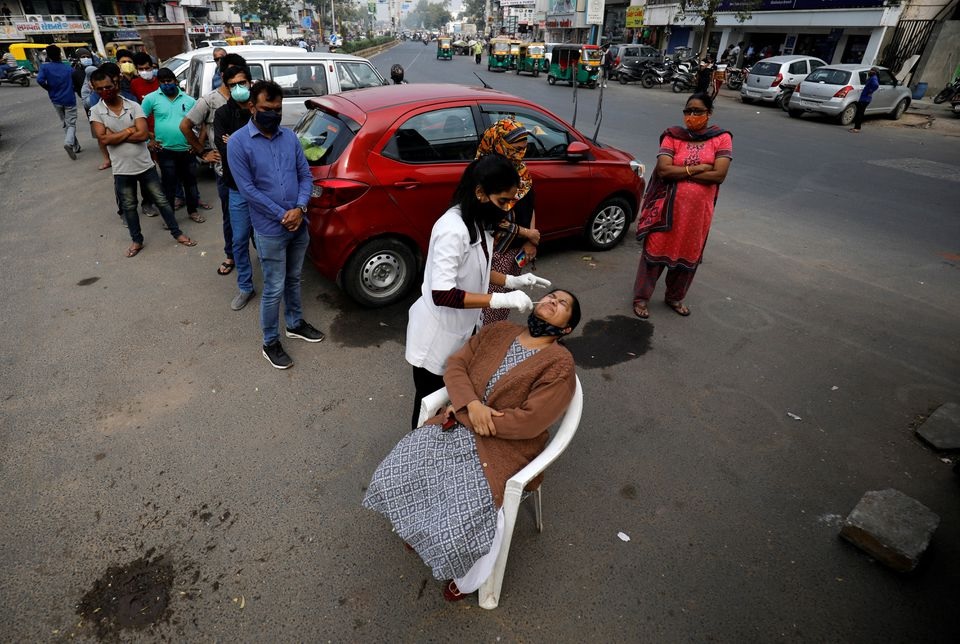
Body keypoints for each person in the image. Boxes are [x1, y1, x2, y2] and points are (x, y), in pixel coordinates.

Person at [364, 289, 581, 602]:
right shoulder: (499, 331)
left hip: (504, 447)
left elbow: (531, 422)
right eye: (551, 296)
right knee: (398, 470)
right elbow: (456, 366)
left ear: (566, 329)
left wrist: (467, 413)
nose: (552, 301)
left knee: (465, 512)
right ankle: (418, 529)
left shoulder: (560, 365)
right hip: (459, 425)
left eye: (562, 304)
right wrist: (470, 405)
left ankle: (468, 579)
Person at [405, 154, 551, 429]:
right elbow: (444, 293)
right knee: (429, 403)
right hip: (437, 336)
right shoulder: (452, 229)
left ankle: (438, 445)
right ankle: (416, 448)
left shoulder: (478, 222)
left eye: (511, 201)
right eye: (503, 201)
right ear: (480, 192)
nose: (508, 209)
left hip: (461, 331)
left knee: (449, 403)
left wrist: (512, 281)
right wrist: (500, 299)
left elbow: (477, 271)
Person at [227, 80, 324, 369]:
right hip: (270, 230)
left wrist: (300, 208)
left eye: (278, 109)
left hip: (299, 223)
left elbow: (305, 176)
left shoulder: (290, 138)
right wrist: (284, 214)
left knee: (294, 279)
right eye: (267, 108)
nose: (273, 114)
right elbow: (248, 191)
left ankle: (294, 323)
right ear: (251, 107)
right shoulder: (238, 143)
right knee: (273, 287)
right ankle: (270, 342)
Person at [633, 93, 732, 319]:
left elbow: (719, 175)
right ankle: (641, 298)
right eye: (688, 111)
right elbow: (664, 170)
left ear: (709, 113)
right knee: (653, 254)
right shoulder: (673, 136)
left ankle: (674, 297)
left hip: (698, 215)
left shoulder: (722, 138)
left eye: (698, 111)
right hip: (665, 210)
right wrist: (699, 168)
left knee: (689, 255)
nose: (692, 116)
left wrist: (682, 173)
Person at [89, 68, 197, 257]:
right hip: (122, 170)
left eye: (108, 86)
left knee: (162, 201)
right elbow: (103, 139)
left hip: (145, 166)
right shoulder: (96, 111)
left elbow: (142, 134)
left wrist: (119, 135)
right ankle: (136, 240)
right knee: (129, 207)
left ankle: (177, 233)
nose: (105, 91)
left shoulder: (134, 105)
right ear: (94, 89)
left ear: (115, 84)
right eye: (100, 89)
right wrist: (130, 131)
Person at [181, 53, 247, 277]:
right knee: (231, 218)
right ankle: (231, 256)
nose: (236, 83)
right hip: (225, 171)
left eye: (240, 75)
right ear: (222, 76)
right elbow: (186, 126)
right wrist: (203, 153)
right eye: (229, 74)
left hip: (254, 173)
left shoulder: (253, 100)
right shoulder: (210, 101)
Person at [475, 119, 541, 326]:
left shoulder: (521, 171)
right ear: (500, 144)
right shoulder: (484, 174)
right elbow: (489, 219)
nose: (521, 153)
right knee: (489, 304)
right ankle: (481, 343)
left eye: (525, 148)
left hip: (516, 249)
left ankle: (493, 338)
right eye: (517, 148)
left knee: (506, 301)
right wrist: (526, 233)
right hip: (494, 250)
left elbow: (530, 206)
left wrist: (531, 241)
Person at [213, 65, 257, 310]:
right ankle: (245, 287)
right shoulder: (222, 114)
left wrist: (235, 140)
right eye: (233, 85)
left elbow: (260, 147)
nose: (239, 88)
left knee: (264, 239)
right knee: (239, 240)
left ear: (250, 82)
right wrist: (241, 143)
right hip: (237, 188)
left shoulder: (258, 109)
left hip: (262, 187)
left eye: (242, 83)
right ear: (227, 87)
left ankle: (275, 284)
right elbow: (225, 149)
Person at [141, 68, 205, 226]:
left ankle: (193, 211)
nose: (166, 84)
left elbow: (203, 123)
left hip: (187, 150)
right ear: (159, 83)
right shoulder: (151, 99)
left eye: (169, 81)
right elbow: (140, 120)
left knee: (190, 184)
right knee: (168, 186)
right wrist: (151, 139)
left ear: (175, 81)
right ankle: (169, 217)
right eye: (162, 82)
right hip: (165, 151)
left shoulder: (189, 100)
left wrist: (198, 145)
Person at [36, 45, 81, 160]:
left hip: (55, 99)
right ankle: (69, 143)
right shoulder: (68, 68)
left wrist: (49, 88)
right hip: (69, 99)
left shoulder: (44, 67)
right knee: (70, 123)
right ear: (60, 55)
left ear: (49, 56)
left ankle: (75, 146)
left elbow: (40, 80)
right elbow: (76, 82)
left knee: (65, 123)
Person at [850, 67, 880, 134]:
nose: (870, 71)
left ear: (875, 72)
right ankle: (856, 127)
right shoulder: (872, 77)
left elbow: (876, 85)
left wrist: (870, 91)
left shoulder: (874, 78)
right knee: (859, 113)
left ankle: (857, 128)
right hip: (864, 97)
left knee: (860, 113)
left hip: (865, 98)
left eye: (871, 70)